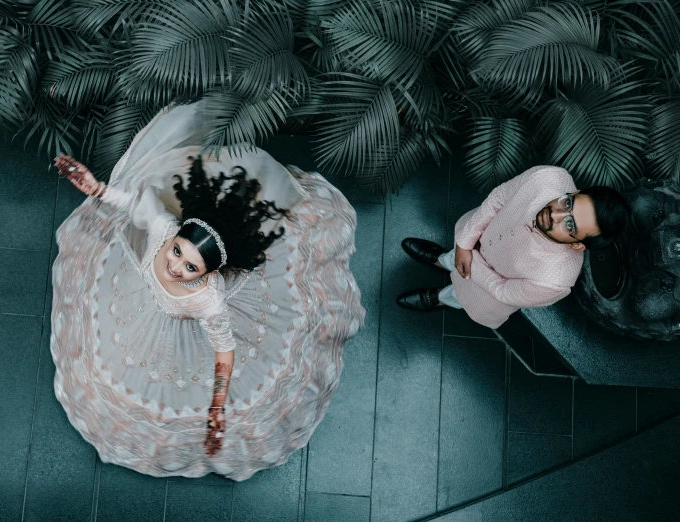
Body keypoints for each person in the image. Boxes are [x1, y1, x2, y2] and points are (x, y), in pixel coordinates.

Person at [50, 102, 364, 481]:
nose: (175, 265)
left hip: (181, 316)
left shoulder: (209, 299)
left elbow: (224, 352)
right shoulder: (164, 228)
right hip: (145, 301)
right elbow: (134, 203)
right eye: (179, 251)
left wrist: (217, 406)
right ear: (177, 235)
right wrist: (96, 187)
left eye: (190, 268)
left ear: (211, 273)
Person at [396, 165, 629, 329]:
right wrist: (464, 245)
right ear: (575, 192)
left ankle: (441, 298)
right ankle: (443, 260)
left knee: (460, 295)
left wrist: (469, 261)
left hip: (483, 290)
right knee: (454, 254)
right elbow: (499, 198)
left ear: (578, 245)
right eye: (568, 203)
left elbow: (502, 292)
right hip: (476, 236)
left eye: (569, 224)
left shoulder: (556, 281)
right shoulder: (549, 177)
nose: (555, 214)